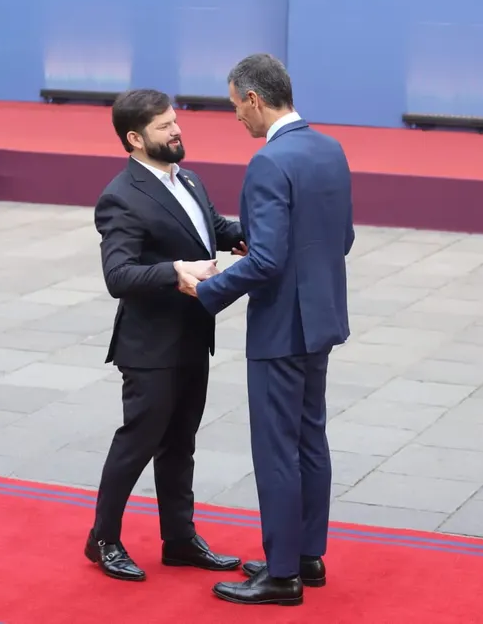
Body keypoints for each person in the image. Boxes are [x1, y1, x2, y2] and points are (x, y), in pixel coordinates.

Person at [179, 54, 355, 606]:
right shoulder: (330, 149)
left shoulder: (268, 162)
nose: (236, 117)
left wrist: (204, 291)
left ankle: (281, 576)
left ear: (255, 99)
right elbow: (341, 237)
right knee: (311, 440)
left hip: (281, 327)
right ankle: (307, 556)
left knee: (277, 449)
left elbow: (267, 262)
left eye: (235, 105)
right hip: (321, 319)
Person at [86, 88, 247, 582]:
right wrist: (174, 271)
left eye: (176, 122)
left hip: (193, 337)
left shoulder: (188, 180)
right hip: (150, 348)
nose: (177, 131)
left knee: (181, 444)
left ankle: (179, 539)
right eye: (164, 127)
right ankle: (103, 540)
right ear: (134, 139)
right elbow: (119, 276)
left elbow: (214, 229)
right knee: (138, 444)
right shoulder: (121, 196)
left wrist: (269, 228)